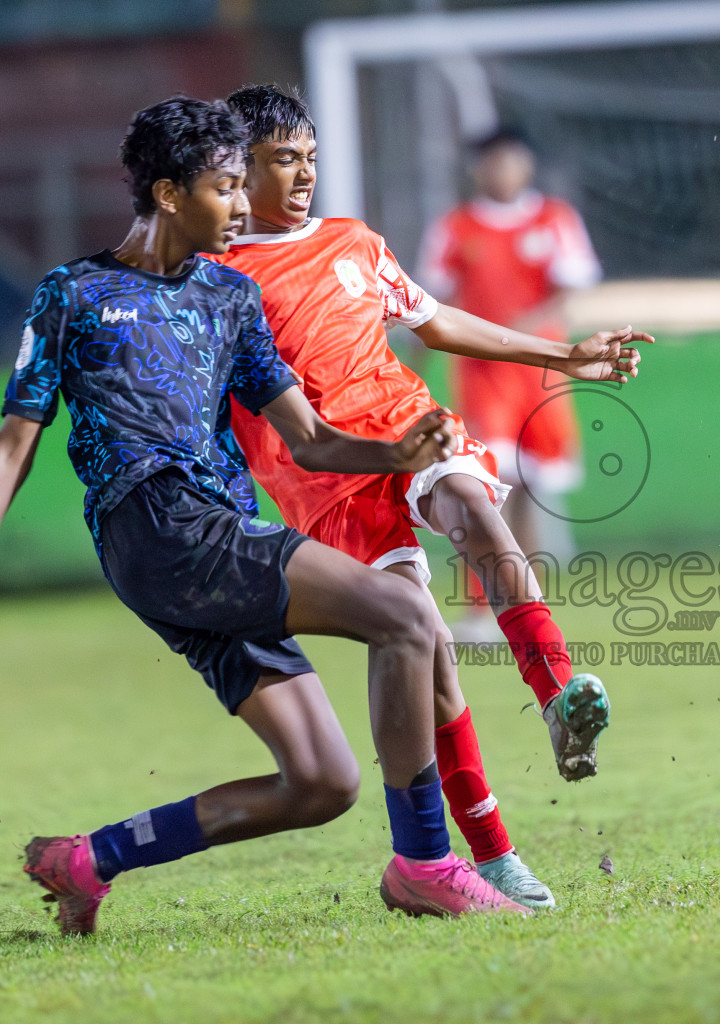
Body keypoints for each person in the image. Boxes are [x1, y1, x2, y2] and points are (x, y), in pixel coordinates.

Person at [0, 96, 529, 932]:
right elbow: (14, 443)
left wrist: (398, 454)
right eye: (225, 188)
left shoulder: (231, 297)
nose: (241, 204)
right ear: (169, 194)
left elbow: (314, 441)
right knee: (407, 615)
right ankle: (427, 865)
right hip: (158, 526)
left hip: (216, 535)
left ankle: (87, 861)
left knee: (322, 783)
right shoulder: (74, 293)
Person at [208, 86, 648, 905]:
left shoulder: (353, 242)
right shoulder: (214, 277)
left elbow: (438, 320)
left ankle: (556, 691)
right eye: (282, 161)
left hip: (406, 420)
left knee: (477, 506)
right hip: (321, 477)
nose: (303, 175)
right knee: (428, 655)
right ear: (239, 169)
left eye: (309, 158)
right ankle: (489, 853)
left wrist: (565, 359)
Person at [417, 126, 603, 637]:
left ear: (527, 166)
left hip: (541, 375)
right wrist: (412, 368)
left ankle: (527, 608)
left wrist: (527, 329)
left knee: (533, 488)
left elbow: (570, 291)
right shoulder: (455, 228)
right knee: (485, 485)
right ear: (477, 169)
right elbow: (427, 306)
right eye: (491, 162)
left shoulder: (555, 220)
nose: (501, 171)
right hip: (483, 377)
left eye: (510, 160)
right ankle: (483, 607)